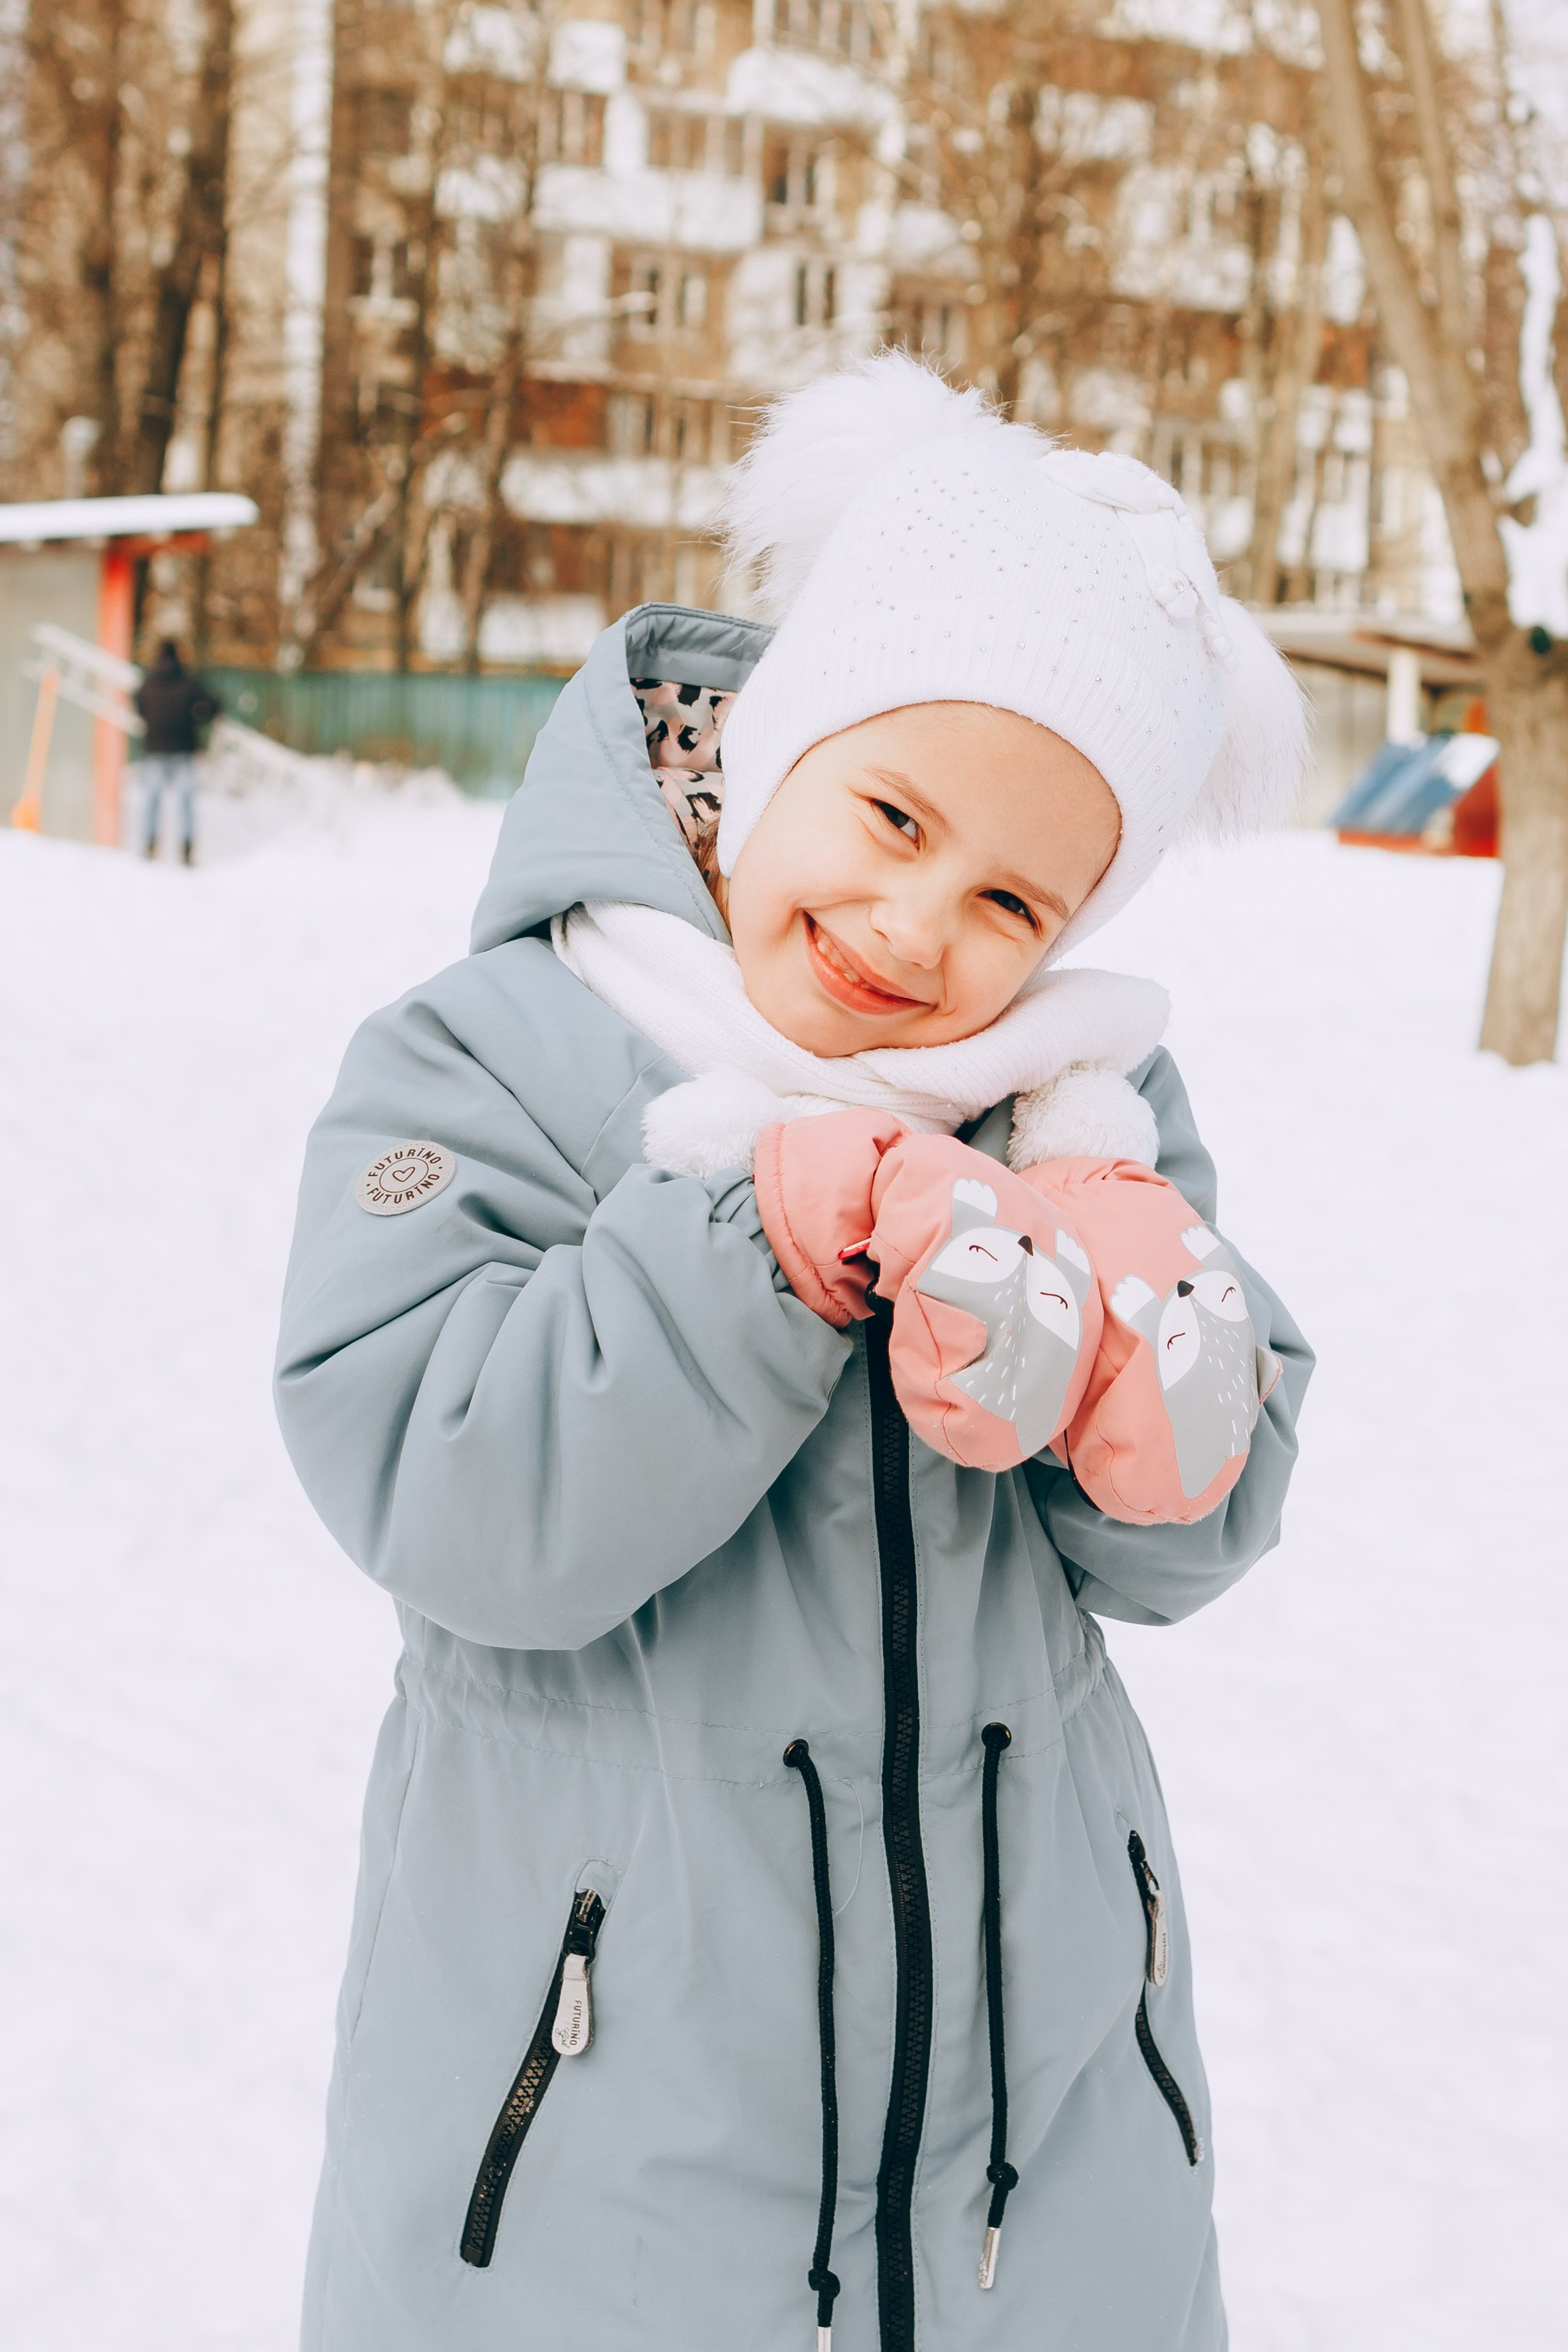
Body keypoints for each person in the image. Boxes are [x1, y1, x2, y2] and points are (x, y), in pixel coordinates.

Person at [275, 356, 1314, 2352]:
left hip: (1047, 2159)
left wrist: (1159, 1369)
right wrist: (764, 1229)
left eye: (1011, 892)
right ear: (770, 748)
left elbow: (1188, 1536)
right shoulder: (496, 1054)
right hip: (595, 2168)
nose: (918, 927)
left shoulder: (1075, 1101)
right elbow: (442, 1485)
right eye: (892, 811)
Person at [132, 640, 220, 863]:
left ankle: (150, 846)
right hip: (184, 750)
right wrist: (198, 718)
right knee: (185, 803)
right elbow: (214, 705)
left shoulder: (148, 683)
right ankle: (187, 850)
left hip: (155, 750)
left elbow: (139, 706)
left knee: (152, 801)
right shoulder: (188, 683)